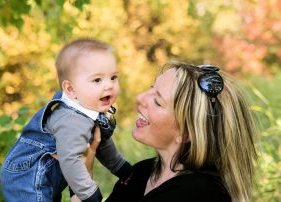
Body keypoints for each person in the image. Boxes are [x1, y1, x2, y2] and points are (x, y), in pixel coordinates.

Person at [85, 62, 258, 202]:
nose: (140, 98)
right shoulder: (140, 173)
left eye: (158, 101)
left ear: (187, 133)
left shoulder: (200, 194)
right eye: (151, 88)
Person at [0, 38, 132, 202]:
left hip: (46, 174)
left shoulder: (87, 108)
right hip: (27, 179)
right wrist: (89, 193)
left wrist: (121, 168)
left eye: (113, 77)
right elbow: (71, 160)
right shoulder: (71, 121)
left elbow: (101, 140)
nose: (109, 85)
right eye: (97, 80)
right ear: (71, 89)